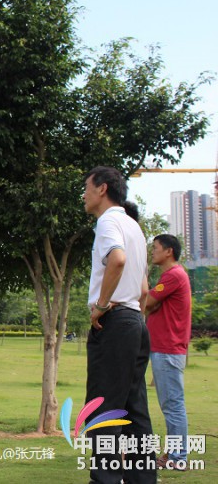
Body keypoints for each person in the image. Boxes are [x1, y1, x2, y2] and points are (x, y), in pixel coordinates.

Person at [83, 166, 156, 483]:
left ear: (102, 188)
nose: (83, 194)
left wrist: (101, 305)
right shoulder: (134, 227)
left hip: (115, 324)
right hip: (135, 324)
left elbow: (118, 260)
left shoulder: (109, 220)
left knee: (104, 412)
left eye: (86, 187)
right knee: (135, 410)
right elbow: (143, 288)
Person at [146, 234, 191, 470]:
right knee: (172, 404)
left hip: (167, 349)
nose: (152, 252)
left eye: (155, 248)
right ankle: (173, 454)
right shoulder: (172, 275)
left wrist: (150, 300)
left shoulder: (173, 275)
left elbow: (147, 302)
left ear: (169, 251)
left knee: (173, 405)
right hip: (165, 349)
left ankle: (177, 457)